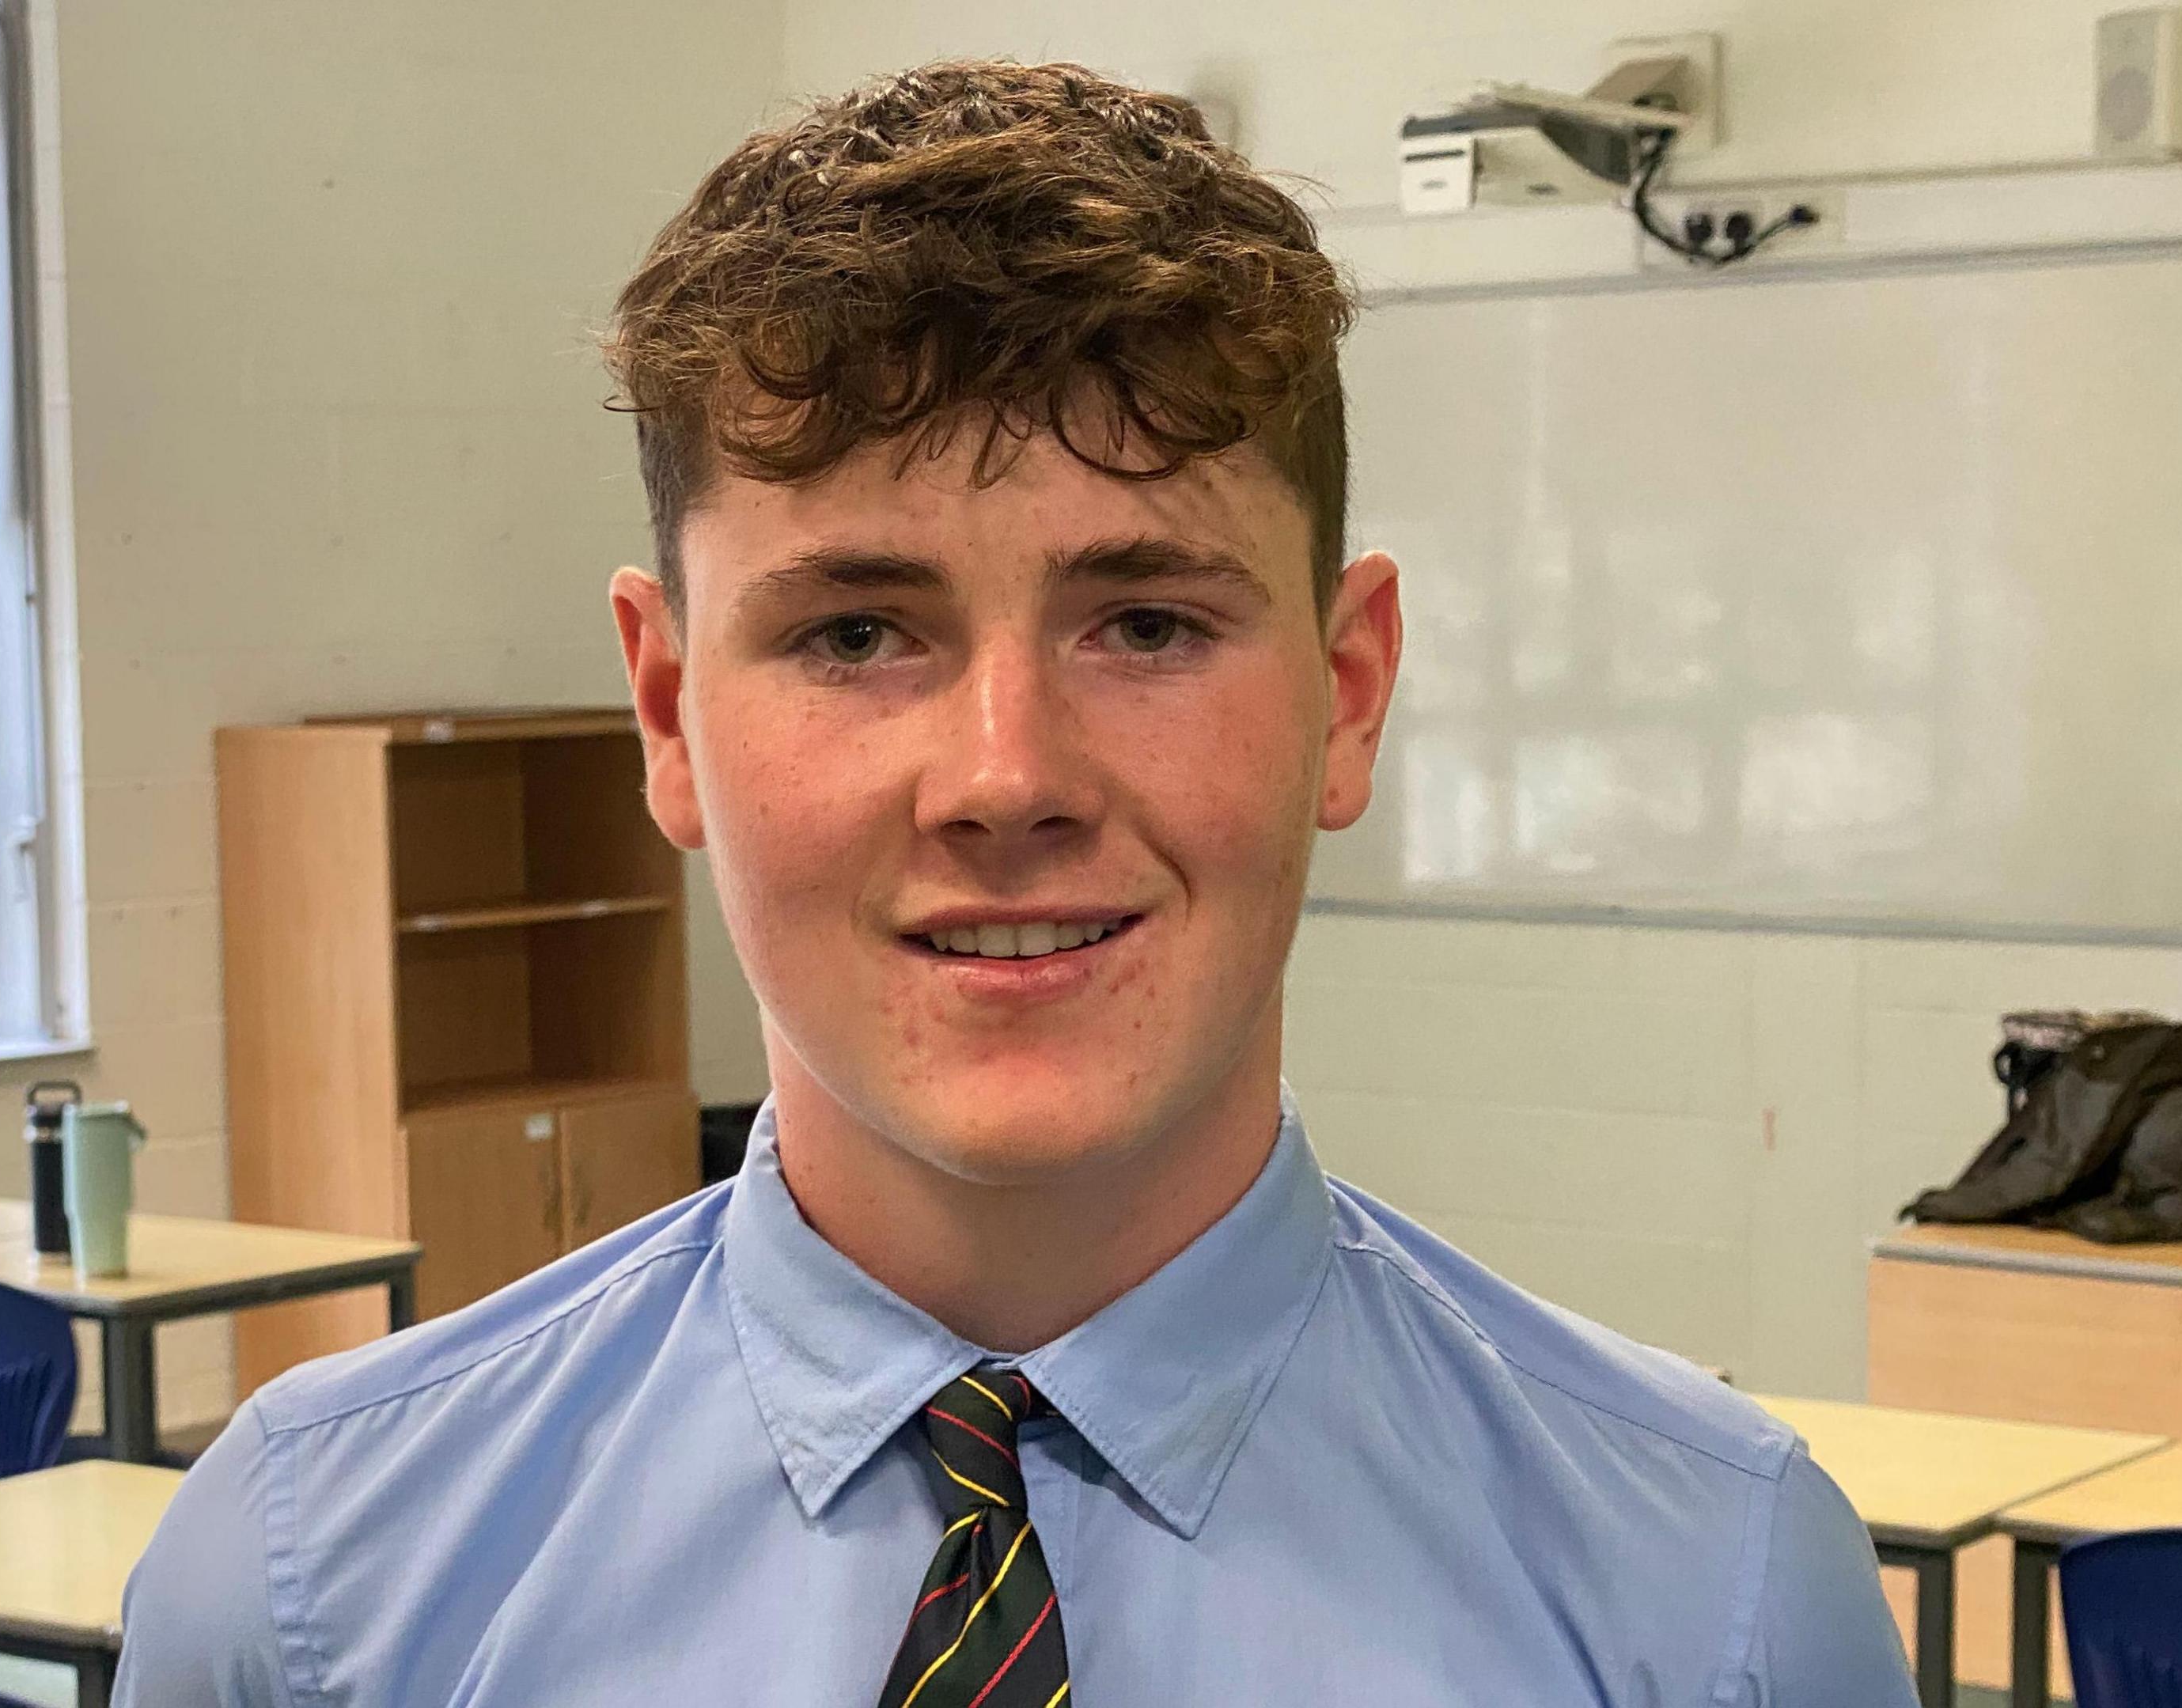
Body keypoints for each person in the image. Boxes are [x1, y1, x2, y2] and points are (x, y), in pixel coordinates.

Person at [116, 59, 1913, 1706]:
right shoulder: (309, 1595)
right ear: (667, 712)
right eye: (855, 631)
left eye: (1144, 621)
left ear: (1348, 692)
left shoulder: (1715, 1607)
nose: (1006, 779)